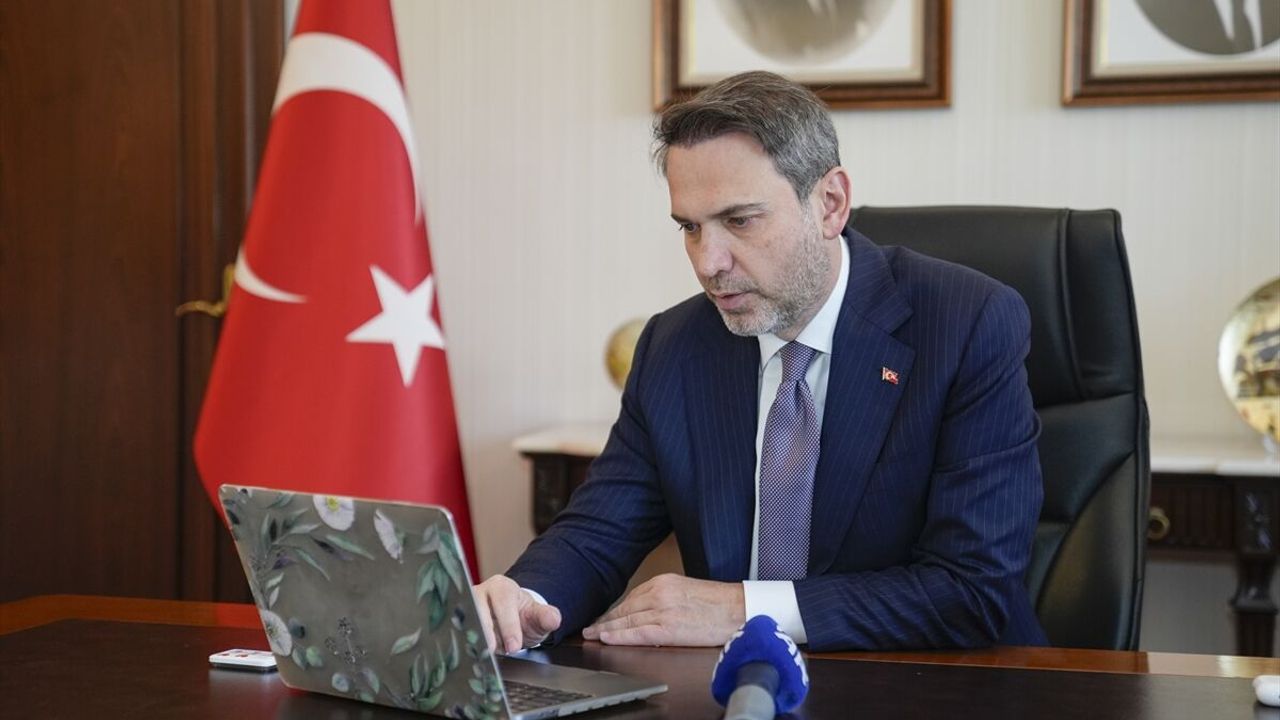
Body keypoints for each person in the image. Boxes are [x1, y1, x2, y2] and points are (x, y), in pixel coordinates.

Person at [475, 71, 1046, 653]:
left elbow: (970, 589)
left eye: (739, 221)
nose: (709, 263)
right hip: (733, 684)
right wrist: (525, 599)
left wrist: (742, 610)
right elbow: (598, 531)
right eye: (690, 227)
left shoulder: (967, 324)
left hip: (935, 681)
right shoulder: (674, 346)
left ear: (829, 204)